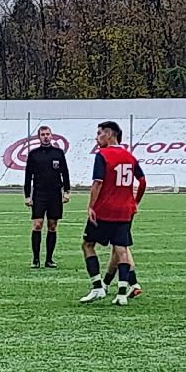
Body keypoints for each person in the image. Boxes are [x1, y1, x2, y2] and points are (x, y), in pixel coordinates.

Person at [80, 121, 146, 306]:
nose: (97, 137)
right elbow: (142, 180)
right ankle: (122, 293)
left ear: (109, 135)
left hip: (105, 210)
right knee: (121, 249)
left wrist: (91, 206)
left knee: (88, 245)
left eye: (99, 133)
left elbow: (98, 182)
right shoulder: (129, 156)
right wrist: (136, 201)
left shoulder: (103, 155)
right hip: (125, 210)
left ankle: (97, 287)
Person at [22, 126, 71, 268]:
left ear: (51, 136)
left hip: (55, 194)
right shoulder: (34, 154)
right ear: (39, 137)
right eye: (42, 134)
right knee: (37, 224)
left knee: (52, 226)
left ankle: (49, 259)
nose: (45, 136)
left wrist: (67, 191)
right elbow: (28, 176)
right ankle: (35, 259)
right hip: (39, 194)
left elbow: (65, 173)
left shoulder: (58, 153)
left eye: (47, 134)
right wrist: (27, 195)